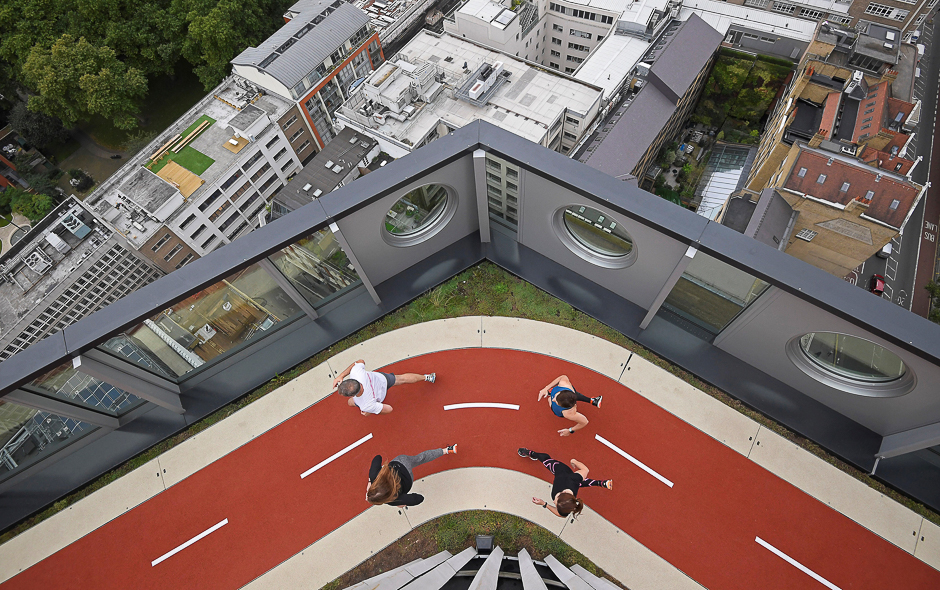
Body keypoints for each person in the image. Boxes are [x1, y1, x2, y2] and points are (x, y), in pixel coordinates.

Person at [517, 447, 612, 518]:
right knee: (546, 460)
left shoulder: (566, 506)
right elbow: (585, 470)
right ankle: (532, 453)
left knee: (579, 483)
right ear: (564, 492)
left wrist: (544, 504)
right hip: (561, 471)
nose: (554, 501)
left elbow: (561, 515)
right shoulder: (571, 480)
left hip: (573, 482)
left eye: (555, 503)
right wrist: (574, 461)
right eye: (556, 500)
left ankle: (600, 483)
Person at [333, 359, 435, 415]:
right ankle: (427, 377)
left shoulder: (365, 405)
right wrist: (341, 376)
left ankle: (427, 377)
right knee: (402, 379)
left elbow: (389, 409)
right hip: (383, 379)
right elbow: (360, 361)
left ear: (353, 395)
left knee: (350, 403)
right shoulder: (356, 373)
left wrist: (369, 411)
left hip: (380, 397)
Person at [367, 445, 457, 506]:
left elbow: (419, 499)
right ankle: (446, 450)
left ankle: (446, 451)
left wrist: (402, 503)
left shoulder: (393, 500)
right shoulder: (374, 475)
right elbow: (377, 458)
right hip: (401, 462)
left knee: (420, 459)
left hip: (408, 479)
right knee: (421, 458)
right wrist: (370, 480)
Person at [537, 375, 602, 436]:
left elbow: (584, 422)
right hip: (569, 393)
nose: (553, 399)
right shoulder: (564, 383)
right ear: (562, 391)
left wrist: (570, 430)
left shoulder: (568, 413)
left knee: (549, 399)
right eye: (556, 396)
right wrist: (546, 388)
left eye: (556, 401)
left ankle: (592, 401)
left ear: (563, 406)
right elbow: (562, 377)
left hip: (557, 410)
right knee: (572, 394)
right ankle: (593, 401)